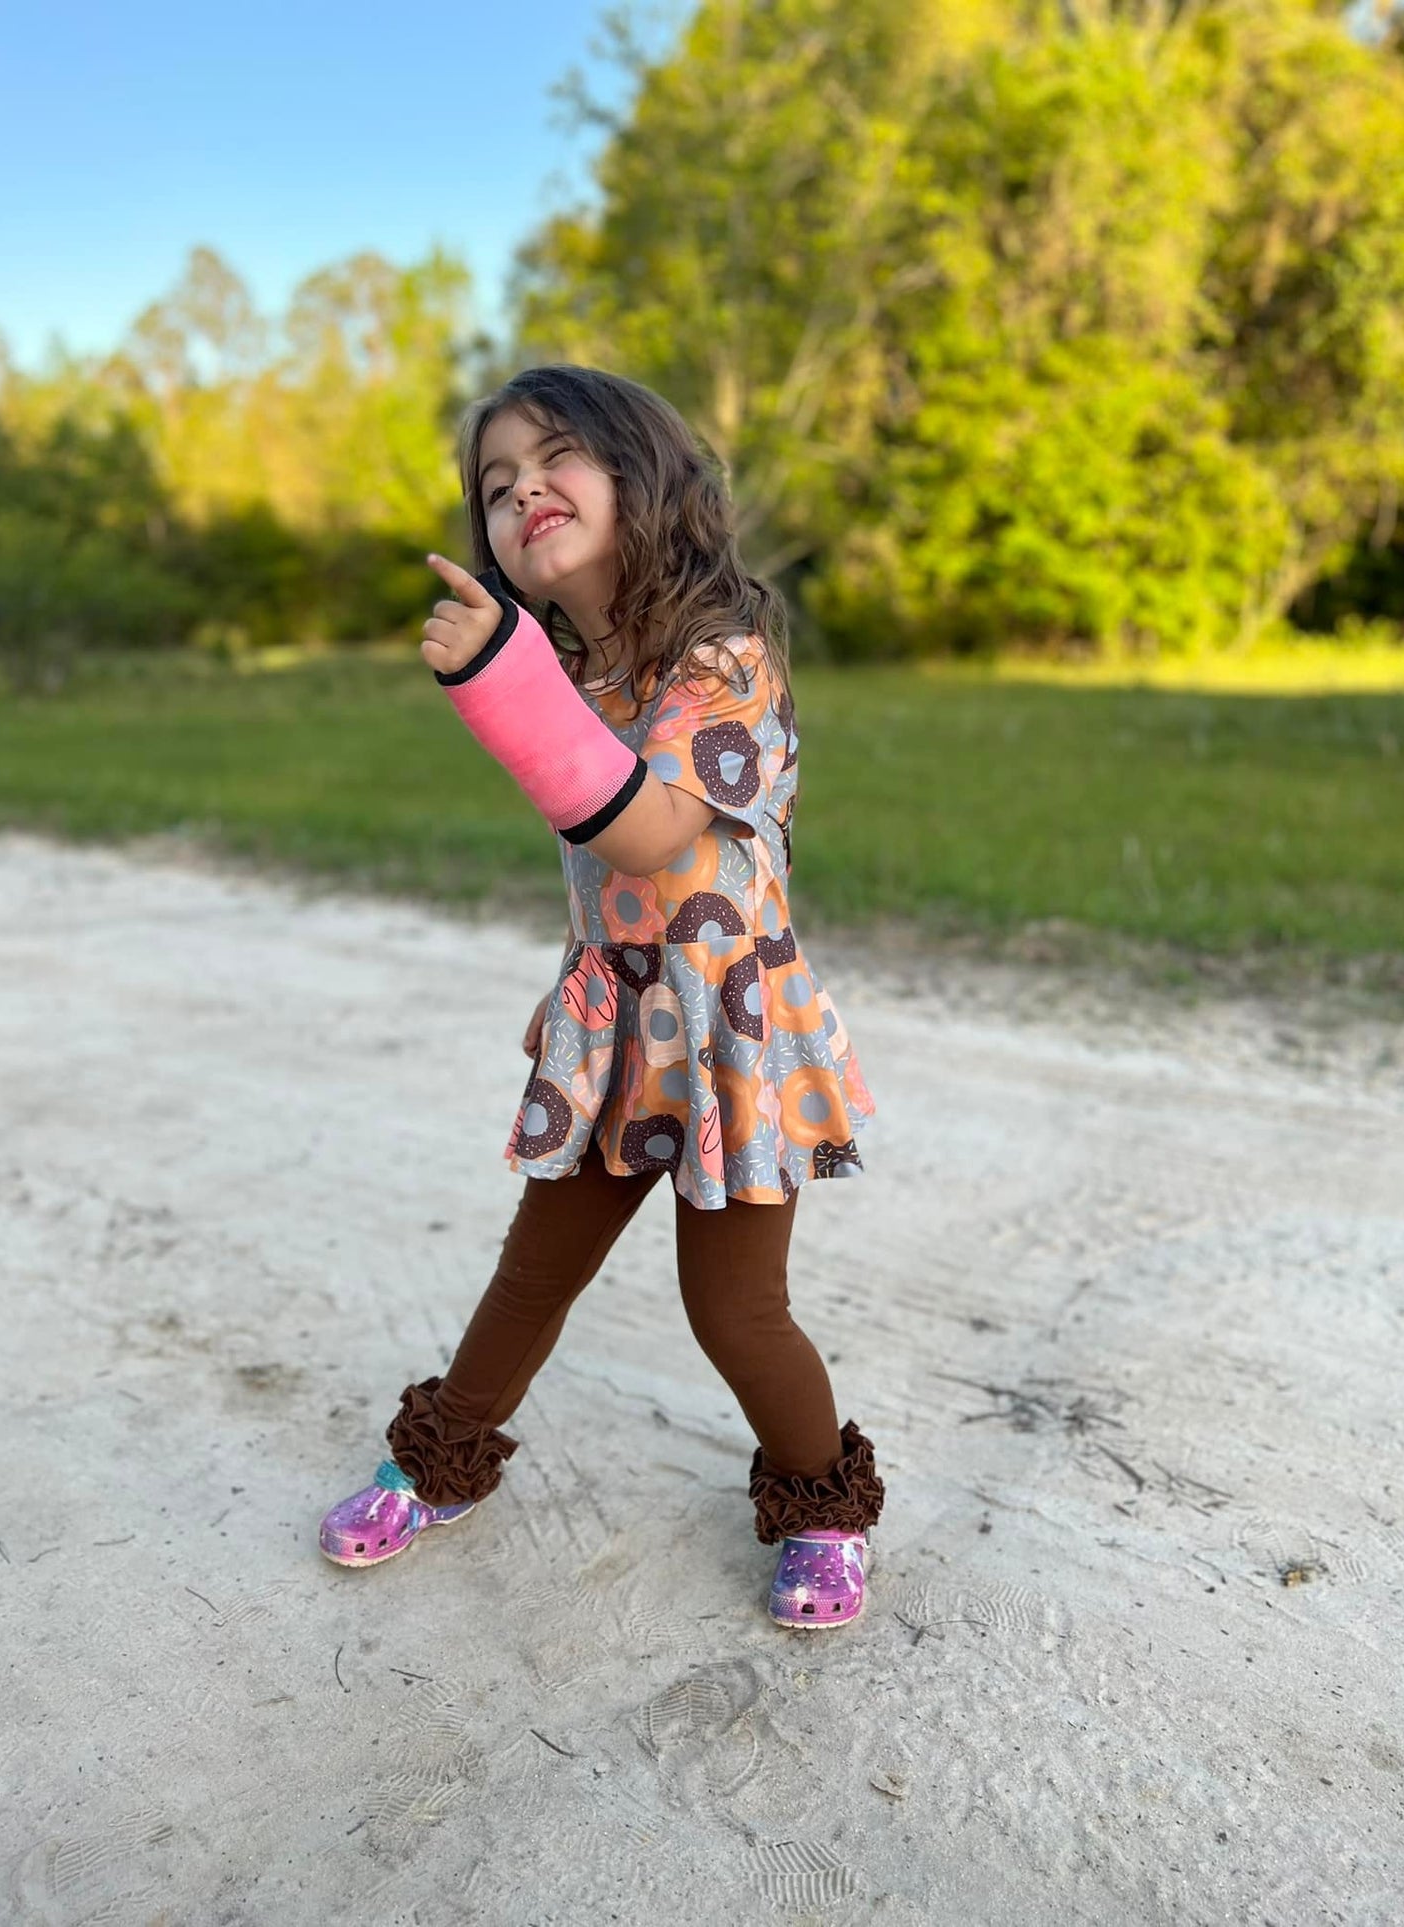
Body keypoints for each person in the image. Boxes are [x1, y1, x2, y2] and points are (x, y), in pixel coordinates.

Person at [319, 364, 885, 1629]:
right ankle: (435, 1466)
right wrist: (528, 679)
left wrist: (500, 682)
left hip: (729, 1032)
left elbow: (649, 833)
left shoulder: (722, 660)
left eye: (553, 458)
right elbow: (602, 861)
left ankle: (822, 1503)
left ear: (642, 475)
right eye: (495, 483)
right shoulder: (581, 677)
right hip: (618, 1023)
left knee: (734, 1310)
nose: (522, 491)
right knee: (531, 1274)